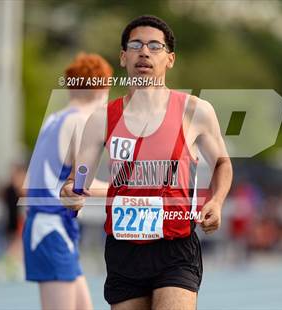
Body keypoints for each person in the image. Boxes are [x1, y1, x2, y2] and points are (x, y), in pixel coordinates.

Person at [61, 15, 233, 310]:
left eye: (155, 46)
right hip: (124, 250)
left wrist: (216, 202)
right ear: (123, 57)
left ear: (170, 59)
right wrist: (71, 192)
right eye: (136, 45)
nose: (144, 52)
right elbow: (79, 178)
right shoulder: (102, 119)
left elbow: (222, 164)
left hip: (175, 247)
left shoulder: (195, 111)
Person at [22, 53, 113, 310]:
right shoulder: (81, 121)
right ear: (102, 89)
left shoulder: (54, 118)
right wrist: (133, 191)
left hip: (51, 225)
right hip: (51, 226)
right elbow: (83, 184)